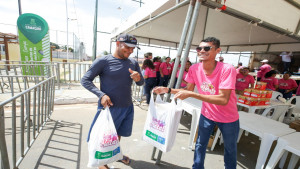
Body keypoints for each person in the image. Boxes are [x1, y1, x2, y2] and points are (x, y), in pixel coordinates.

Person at [154, 37, 239, 169]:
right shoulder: (194, 68)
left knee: (230, 149)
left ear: (218, 51)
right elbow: (188, 91)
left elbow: (223, 99)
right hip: (207, 114)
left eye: (207, 48)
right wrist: (168, 90)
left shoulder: (227, 69)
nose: (201, 51)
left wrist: (193, 94)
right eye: (199, 48)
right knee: (200, 144)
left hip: (228, 118)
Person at [81, 34, 144, 169]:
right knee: (104, 136)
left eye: (133, 48)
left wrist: (138, 78)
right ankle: (101, 164)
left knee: (116, 135)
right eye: (127, 47)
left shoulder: (133, 62)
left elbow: (141, 83)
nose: (131, 50)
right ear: (117, 44)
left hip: (127, 106)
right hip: (109, 108)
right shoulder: (103, 61)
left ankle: (114, 155)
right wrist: (101, 94)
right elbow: (85, 80)